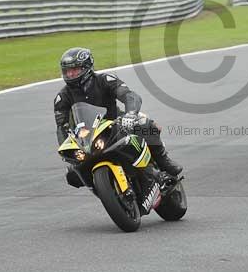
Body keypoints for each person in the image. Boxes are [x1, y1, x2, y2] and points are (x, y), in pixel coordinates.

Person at [53, 47, 183, 186]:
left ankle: (163, 161)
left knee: (145, 125)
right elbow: (61, 127)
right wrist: (67, 148)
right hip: (87, 136)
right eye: (67, 71)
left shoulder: (105, 79)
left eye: (74, 70)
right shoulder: (62, 97)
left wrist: (131, 114)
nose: (70, 74)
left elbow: (129, 95)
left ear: (86, 67)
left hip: (116, 123)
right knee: (73, 175)